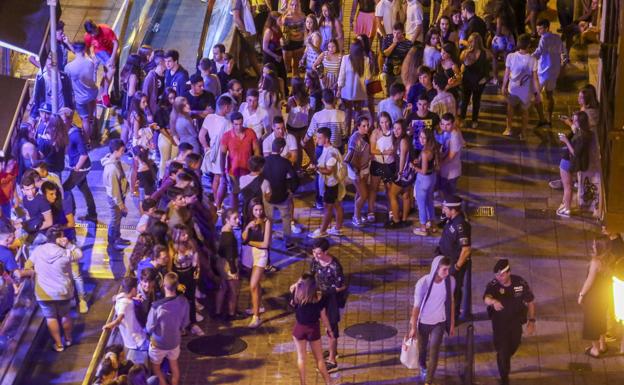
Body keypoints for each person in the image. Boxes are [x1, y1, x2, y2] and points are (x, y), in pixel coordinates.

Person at [19, 226, 82, 352]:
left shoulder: (38, 250)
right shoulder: (65, 253)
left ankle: (59, 344)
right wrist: (69, 244)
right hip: (63, 291)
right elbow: (79, 254)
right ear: (59, 238)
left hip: (43, 293)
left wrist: (34, 271)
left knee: (51, 318)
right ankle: (68, 339)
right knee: (65, 315)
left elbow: (27, 265)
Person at [484, 259, 536, 385]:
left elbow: (530, 302)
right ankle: (504, 377)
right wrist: (493, 302)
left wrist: (532, 320)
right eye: (497, 275)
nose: (499, 277)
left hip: (516, 323)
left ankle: (504, 359)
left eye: (501, 274)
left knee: (514, 345)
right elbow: (486, 298)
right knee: (502, 351)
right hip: (499, 324)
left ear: (508, 273)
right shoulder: (494, 284)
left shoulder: (520, 283)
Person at [408, 255, 455, 385]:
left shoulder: (450, 281)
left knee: (434, 352)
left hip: (439, 322)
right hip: (423, 322)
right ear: (436, 269)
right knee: (422, 349)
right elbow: (416, 307)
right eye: (444, 269)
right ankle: (422, 365)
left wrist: (451, 323)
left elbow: (451, 302)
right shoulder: (423, 284)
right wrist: (413, 327)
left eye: (448, 269)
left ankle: (429, 381)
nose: (447, 273)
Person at [308, 238, 347, 372]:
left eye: (318, 253)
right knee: (325, 326)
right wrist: (299, 284)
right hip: (321, 298)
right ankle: (332, 351)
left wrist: (325, 291)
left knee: (331, 328)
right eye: (314, 252)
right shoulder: (315, 261)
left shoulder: (335, 267)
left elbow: (341, 287)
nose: (315, 255)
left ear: (326, 251)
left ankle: (332, 360)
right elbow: (310, 275)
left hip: (332, 300)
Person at [146, 272, 189, 385]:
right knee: (174, 365)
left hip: (158, 343)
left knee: (156, 368)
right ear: (177, 285)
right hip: (174, 341)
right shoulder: (184, 301)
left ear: (163, 285)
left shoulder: (157, 306)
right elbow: (185, 322)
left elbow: (149, 327)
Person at [290, 274, 333, 385]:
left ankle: (303, 383)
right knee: (319, 359)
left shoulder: (296, 296)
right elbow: (324, 317)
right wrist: (330, 330)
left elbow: (293, 288)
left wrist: (297, 285)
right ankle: (329, 382)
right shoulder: (319, 299)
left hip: (299, 329)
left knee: (301, 358)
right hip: (313, 331)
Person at [436, 195, 471, 320]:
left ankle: (453, 317)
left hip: (454, 264)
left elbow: (466, 250)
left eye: (445, 208)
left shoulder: (461, 225)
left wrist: (456, 267)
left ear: (453, 210)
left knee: (454, 291)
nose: (443, 210)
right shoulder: (451, 219)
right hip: (446, 260)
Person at [59, 108, 97, 222]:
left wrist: (76, 168)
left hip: (81, 168)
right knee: (84, 189)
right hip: (78, 167)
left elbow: (84, 154)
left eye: (63, 120)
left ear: (69, 120)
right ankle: (92, 213)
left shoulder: (75, 135)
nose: (60, 122)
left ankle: (71, 212)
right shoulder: (69, 131)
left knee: (64, 189)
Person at [308, 127, 346, 238]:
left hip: (331, 185)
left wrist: (315, 169)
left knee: (328, 208)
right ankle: (338, 229)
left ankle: (322, 231)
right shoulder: (327, 149)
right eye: (317, 137)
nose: (317, 140)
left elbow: (328, 170)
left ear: (327, 139)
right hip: (331, 184)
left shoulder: (331, 153)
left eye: (320, 138)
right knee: (337, 205)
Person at [502, 34, 541, 138]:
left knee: (510, 110)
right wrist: (537, 93)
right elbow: (535, 78)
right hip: (526, 91)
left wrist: (503, 86)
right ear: (528, 45)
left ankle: (508, 129)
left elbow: (506, 73)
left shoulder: (511, 56)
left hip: (513, 89)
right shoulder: (533, 60)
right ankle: (523, 132)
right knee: (525, 112)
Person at [220, 111, 261, 211]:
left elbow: (256, 150)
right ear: (232, 124)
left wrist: (256, 168)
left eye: (240, 124)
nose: (238, 127)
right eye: (236, 124)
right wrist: (222, 173)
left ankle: (249, 215)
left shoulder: (250, 133)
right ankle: (235, 218)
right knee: (234, 195)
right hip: (233, 172)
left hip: (248, 171)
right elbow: (222, 155)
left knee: (250, 196)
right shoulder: (226, 136)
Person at [263, 137, 300, 249]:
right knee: (286, 219)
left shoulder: (264, 161)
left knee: (268, 219)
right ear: (282, 149)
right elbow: (294, 177)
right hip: (282, 196)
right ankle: (288, 242)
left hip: (267, 196)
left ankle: (267, 240)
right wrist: (292, 190)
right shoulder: (285, 162)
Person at [102, 277, 149, 364]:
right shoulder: (125, 303)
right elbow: (119, 318)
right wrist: (110, 325)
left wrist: (134, 298)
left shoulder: (121, 296)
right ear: (133, 289)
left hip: (133, 338)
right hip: (137, 340)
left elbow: (114, 298)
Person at [578, 237, 612, 358]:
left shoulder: (595, 262)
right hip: (605, 296)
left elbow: (589, 281)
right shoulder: (609, 259)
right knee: (601, 320)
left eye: (594, 245)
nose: (592, 247)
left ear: (599, 248)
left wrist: (581, 294)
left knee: (591, 323)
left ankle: (595, 350)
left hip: (593, 298)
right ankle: (602, 345)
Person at [242, 198, 272, 328]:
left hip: (260, 255)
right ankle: (257, 306)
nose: (258, 212)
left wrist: (250, 243)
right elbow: (243, 237)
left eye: (260, 209)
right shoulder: (249, 220)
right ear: (251, 210)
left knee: (253, 284)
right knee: (256, 284)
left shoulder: (267, 222)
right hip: (249, 254)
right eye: (256, 210)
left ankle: (256, 317)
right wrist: (248, 227)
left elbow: (265, 244)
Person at [556, 111, 592, 217]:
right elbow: (574, 129)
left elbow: (575, 153)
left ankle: (567, 209)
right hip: (569, 161)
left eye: (575, 120)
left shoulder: (581, 136)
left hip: (567, 162)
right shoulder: (584, 132)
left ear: (581, 122)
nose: (573, 121)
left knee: (567, 187)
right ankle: (565, 205)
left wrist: (566, 141)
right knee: (568, 186)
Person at [532, 19, 564, 129]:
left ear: (546, 28)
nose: (538, 31)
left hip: (543, 72)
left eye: (540, 29)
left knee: (536, 94)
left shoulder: (544, 39)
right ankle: (549, 119)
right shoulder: (557, 37)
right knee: (550, 94)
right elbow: (563, 52)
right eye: (537, 29)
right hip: (554, 71)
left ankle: (541, 119)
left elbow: (538, 52)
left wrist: (527, 58)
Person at [64, 42, 98, 143]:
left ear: (74, 50)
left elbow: (68, 85)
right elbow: (94, 79)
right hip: (92, 93)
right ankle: (92, 121)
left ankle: (87, 142)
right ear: (84, 50)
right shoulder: (90, 62)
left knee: (85, 119)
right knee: (90, 115)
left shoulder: (69, 67)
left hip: (80, 98)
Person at [367, 112, 395, 223]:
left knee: (389, 189)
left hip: (390, 165)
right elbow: (372, 150)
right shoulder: (375, 133)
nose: (385, 124)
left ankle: (391, 210)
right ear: (379, 122)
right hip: (378, 165)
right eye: (382, 122)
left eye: (387, 121)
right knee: (374, 188)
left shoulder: (394, 132)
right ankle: (370, 211)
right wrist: (385, 152)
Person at [102, 139, 130, 250]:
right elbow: (115, 190)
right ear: (115, 151)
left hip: (118, 196)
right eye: (122, 150)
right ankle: (112, 242)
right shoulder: (112, 169)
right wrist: (121, 205)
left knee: (117, 219)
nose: (123, 152)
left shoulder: (115, 161)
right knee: (115, 220)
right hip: (115, 199)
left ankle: (117, 238)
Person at [84, 20, 118, 108]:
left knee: (107, 73)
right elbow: (87, 49)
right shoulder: (87, 37)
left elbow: (115, 43)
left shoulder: (106, 30)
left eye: (94, 32)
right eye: (91, 34)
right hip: (100, 51)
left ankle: (99, 98)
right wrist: (92, 58)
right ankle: (105, 94)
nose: (93, 35)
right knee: (112, 69)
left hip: (110, 52)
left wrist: (112, 57)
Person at [345, 116, 372, 227]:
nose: (366, 128)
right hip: (357, 171)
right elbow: (349, 159)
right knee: (364, 195)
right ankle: (356, 216)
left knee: (359, 193)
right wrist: (357, 173)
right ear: (358, 126)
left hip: (364, 169)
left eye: (367, 125)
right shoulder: (355, 138)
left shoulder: (365, 136)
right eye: (364, 126)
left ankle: (358, 215)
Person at [215, 209, 242, 321]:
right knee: (233, 290)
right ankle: (232, 313)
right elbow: (230, 255)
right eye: (234, 218)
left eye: (238, 217)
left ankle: (218, 312)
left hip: (222, 263)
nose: (238, 220)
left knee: (223, 288)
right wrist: (233, 270)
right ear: (226, 220)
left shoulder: (224, 230)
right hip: (228, 265)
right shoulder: (229, 236)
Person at [338, 41, 370, 135]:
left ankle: (347, 133)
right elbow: (367, 78)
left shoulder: (346, 58)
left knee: (348, 113)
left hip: (347, 92)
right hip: (359, 92)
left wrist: (339, 89)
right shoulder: (365, 60)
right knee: (358, 113)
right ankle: (355, 133)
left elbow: (341, 75)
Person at [459, 32, 490, 129]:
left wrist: (485, 79)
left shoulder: (485, 53)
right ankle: (462, 118)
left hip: (479, 80)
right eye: (470, 41)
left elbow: (487, 68)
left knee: (476, 101)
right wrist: (466, 55)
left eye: (473, 42)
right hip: (467, 80)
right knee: (465, 100)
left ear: (478, 42)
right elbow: (462, 64)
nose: (471, 44)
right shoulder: (465, 52)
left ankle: (475, 120)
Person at [386, 119, 413, 228]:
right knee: (406, 196)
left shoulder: (403, 141)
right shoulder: (404, 139)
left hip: (403, 174)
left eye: (399, 129)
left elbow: (402, 158)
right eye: (394, 128)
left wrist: (400, 173)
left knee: (392, 194)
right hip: (409, 174)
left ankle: (396, 220)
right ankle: (404, 219)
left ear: (403, 130)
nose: (396, 131)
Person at [412, 128, 439, 236]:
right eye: (421, 137)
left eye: (424, 138)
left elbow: (423, 171)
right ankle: (433, 225)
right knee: (429, 202)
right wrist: (419, 162)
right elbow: (429, 164)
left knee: (421, 205)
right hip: (432, 178)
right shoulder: (433, 149)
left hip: (423, 180)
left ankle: (423, 228)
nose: (422, 140)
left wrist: (413, 167)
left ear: (428, 139)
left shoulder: (424, 152)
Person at [232, 0, 262, 77]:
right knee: (251, 53)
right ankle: (260, 75)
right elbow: (236, 18)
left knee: (244, 52)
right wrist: (245, 31)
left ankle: (243, 72)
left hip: (250, 30)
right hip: (248, 31)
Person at [381, 22, 412, 94]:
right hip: (388, 70)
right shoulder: (387, 39)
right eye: (394, 32)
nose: (396, 35)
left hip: (401, 72)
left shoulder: (408, 44)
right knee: (388, 93)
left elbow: (409, 60)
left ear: (403, 32)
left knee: (399, 93)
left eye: (398, 33)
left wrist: (402, 67)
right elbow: (385, 54)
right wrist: (394, 44)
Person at [438, 113, 463, 198]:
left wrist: (439, 164)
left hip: (451, 172)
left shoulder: (454, 135)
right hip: (445, 171)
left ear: (453, 123)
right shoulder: (445, 132)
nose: (445, 127)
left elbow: (451, 156)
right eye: (443, 124)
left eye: (448, 124)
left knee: (449, 196)